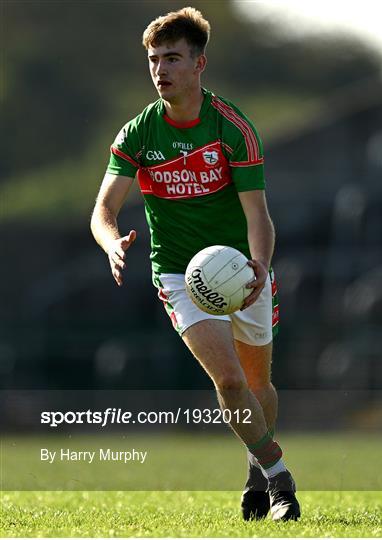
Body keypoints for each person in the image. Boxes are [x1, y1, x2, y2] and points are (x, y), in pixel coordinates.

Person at [91, 6, 300, 522]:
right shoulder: (138, 134)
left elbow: (259, 216)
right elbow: (103, 211)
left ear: (199, 64)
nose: (161, 69)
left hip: (243, 270)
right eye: (154, 60)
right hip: (179, 274)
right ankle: (280, 481)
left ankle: (255, 471)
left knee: (257, 385)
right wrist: (112, 243)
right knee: (228, 382)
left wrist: (258, 267)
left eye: (173, 58)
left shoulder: (232, 128)